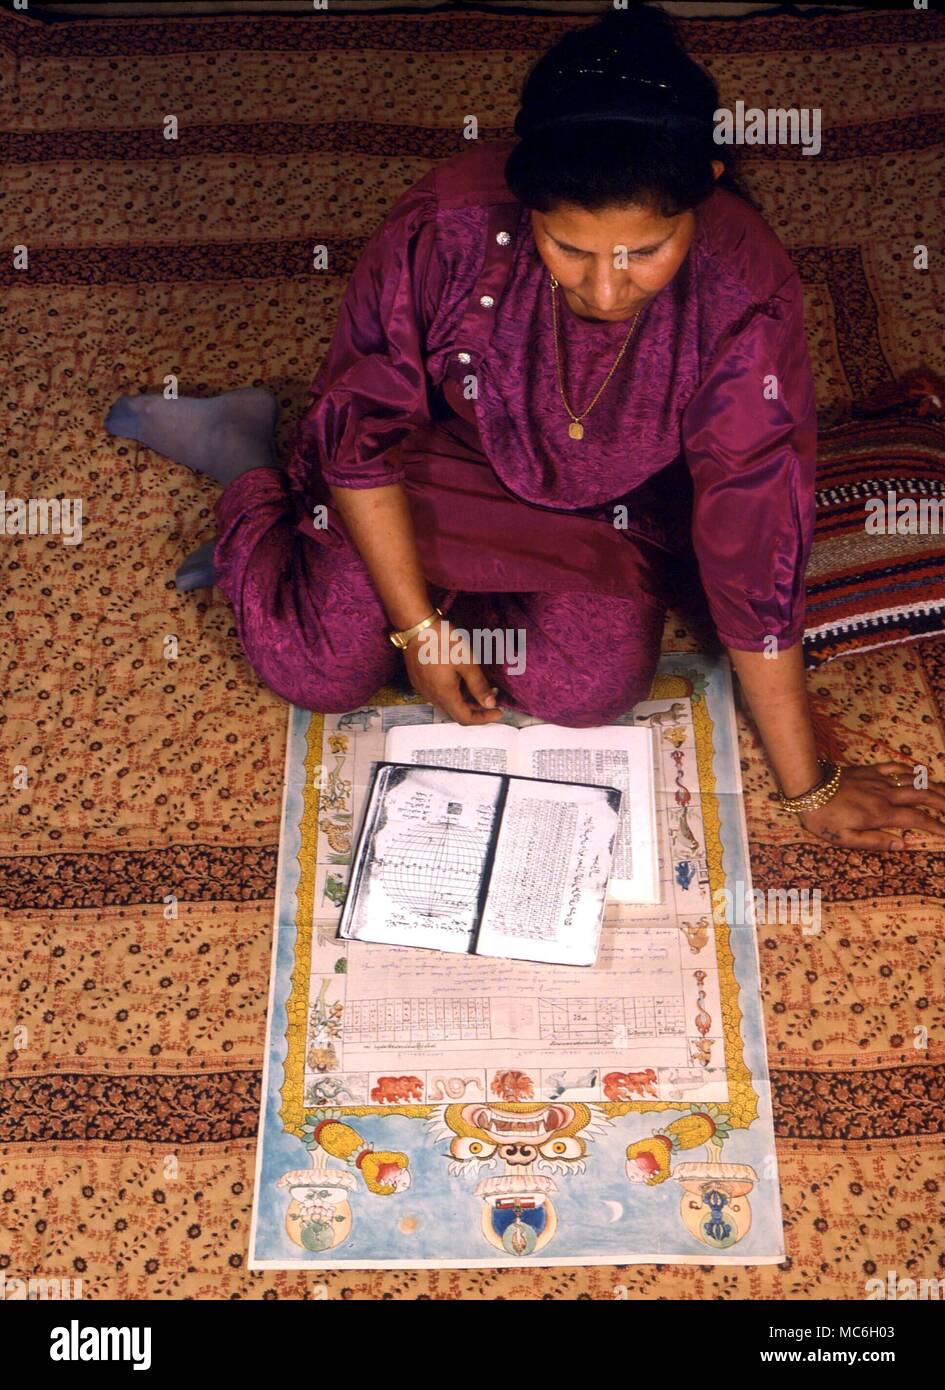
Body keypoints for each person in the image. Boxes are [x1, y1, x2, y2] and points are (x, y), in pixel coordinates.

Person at [104, 3, 945, 850]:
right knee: (314, 666)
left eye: (644, 250)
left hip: (606, 504)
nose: (606, 292)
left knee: (586, 692)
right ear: (526, 199)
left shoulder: (743, 286)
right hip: (432, 465)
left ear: (708, 186)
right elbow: (361, 427)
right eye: (568, 248)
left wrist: (808, 785)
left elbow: (753, 529)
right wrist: (420, 632)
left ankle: (433, 584)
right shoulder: (448, 222)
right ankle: (243, 454)